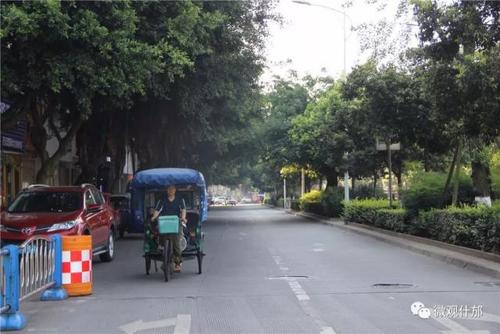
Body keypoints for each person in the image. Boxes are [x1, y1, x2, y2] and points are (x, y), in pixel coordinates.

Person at [151, 185, 187, 272]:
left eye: (172, 189)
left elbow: (183, 210)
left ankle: (177, 262)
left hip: (176, 222)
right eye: (169, 189)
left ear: (175, 190)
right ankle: (162, 247)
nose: (170, 191)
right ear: (167, 190)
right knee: (160, 233)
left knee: (176, 242)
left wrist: (183, 217)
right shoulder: (162, 200)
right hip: (164, 222)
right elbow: (157, 210)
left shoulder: (180, 199)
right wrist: (154, 217)